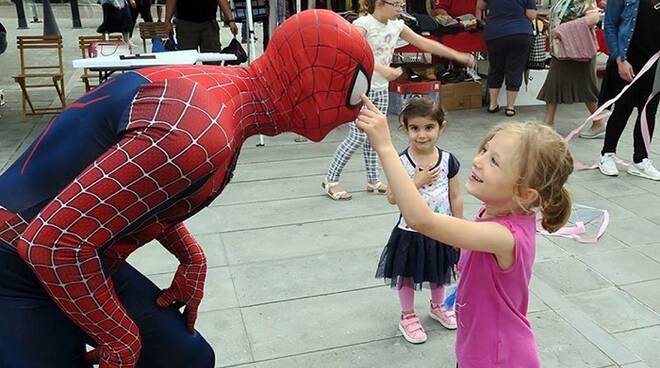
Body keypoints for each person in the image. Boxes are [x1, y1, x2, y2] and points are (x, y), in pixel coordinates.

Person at [0, 10, 374, 368]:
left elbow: (130, 189)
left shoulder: (214, 99)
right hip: (18, 258)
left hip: (74, 249)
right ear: (313, 81)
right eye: (355, 92)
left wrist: (190, 254)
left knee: (185, 357)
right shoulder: (201, 133)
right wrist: (117, 336)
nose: (358, 109)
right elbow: (50, 244)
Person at [357, 96, 573, 367]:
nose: (479, 160)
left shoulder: (506, 236)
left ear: (524, 193)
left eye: (494, 161)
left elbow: (420, 219)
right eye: (484, 149)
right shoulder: (494, 211)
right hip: (477, 347)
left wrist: (386, 149)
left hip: (498, 357)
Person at [321, 0, 475, 201]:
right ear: (379, 3)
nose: (400, 8)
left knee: (376, 135)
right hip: (359, 89)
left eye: (402, 4)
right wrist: (381, 68)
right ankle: (330, 180)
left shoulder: (397, 25)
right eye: (396, 4)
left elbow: (424, 43)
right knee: (357, 136)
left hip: (380, 88)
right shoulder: (363, 25)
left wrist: (457, 55)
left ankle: (373, 180)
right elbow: (351, 53)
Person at [375, 97, 462, 344]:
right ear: (405, 128)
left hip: (441, 229)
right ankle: (408, 315)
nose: (422, 135)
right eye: (415, 128)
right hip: (410, 231)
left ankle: (438, 306)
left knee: (438, 271)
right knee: (407, 274)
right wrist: (416, 182)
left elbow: (455, 195)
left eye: (428, 127)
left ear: (441, 127)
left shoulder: (448, 160)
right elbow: (392, 197)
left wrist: (460, 228)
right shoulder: (400, 162)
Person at [597, 0, 660, 180]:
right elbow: (609, 24)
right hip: (628, 61)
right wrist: (619, 59)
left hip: (656, 64)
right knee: (622, 109)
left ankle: (640, 160)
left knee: (649, 111)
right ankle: (607, 154)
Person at [537, 0, 607, 138]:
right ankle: (548, 122)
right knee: (553, 84)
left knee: (585, 88)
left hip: (579, 51)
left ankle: (598, 123)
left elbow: (593, 18)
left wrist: (563, 29)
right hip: (562, 51)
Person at [478, 0, 537, 116]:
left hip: (495, 32)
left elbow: (480, 6)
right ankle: (510, 107)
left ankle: (493, 104)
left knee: (495, 67)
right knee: (515, 68)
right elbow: (531, 15)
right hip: (520, 32)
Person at [164, 0, 238, 52]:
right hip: (186, 24)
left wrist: (231, 20)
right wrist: (167, 20)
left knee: (213, 60)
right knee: (188, 61)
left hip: (209, 24)